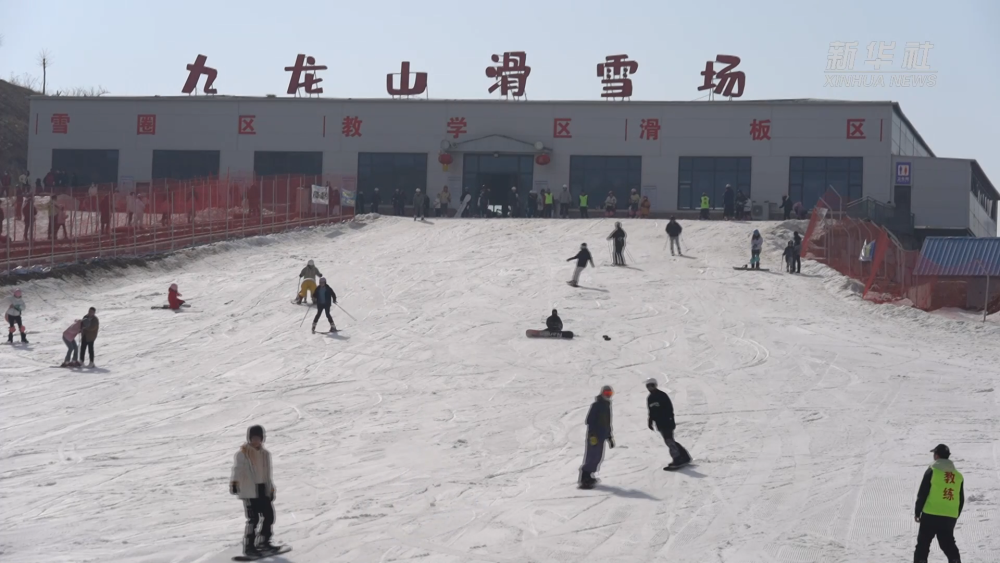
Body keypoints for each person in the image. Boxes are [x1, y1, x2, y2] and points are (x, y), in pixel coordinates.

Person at [230, 425, 281, 558]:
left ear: (262, 439)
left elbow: (267, 473)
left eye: (258, 438)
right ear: (249, 438)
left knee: (269, 516)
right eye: (253, 438)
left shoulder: (265, 454)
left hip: (263, 489)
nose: (255, 441)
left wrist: (271, 488)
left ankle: (264, 542)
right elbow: (237, 469)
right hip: (249, 491)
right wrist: (235, 483)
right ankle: (249, 547)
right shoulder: (243, 453)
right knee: (253, 519)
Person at [914, 444, 964, 563]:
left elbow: (923, 492)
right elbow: (961, 499)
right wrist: (955, 515)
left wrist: (917, 511)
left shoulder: (932, 470)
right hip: (949, 516)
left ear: (936, 455)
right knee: (948, 544)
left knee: (923, 544)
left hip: (931, 514)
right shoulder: (958, 476)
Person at [645, 378, 692, 469]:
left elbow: (669, 409)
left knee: (669, 440)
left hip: (666, 421)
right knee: (670, 440)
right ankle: (684, 457)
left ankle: (677, 458)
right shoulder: (650, 398)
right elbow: (651, 410)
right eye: (648, 386)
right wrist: (650, 421)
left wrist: (671, 420)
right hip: (659, 423)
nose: (650, 388)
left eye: (652, 386)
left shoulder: (662, 395)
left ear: (655, 385)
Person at [579, 385, 615, 489]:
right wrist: (592, 434)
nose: (608, 395)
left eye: (610, 394)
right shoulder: (596, 405)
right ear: (602, 393)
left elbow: (607, 423)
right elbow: (589, 420)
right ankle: (584, 477)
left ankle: (589, 475)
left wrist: (609, 436)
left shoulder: (607, 405)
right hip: (594, 436)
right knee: (592, 456)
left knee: (598, 457)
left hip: (602, 435)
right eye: (606, 393)